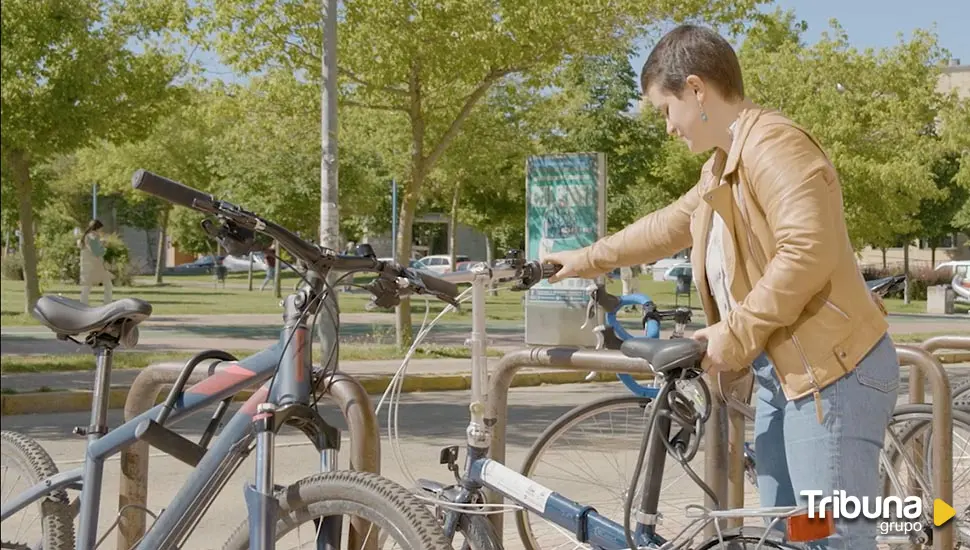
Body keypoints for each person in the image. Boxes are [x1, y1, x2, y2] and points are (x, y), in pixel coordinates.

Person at [542, 24, 898, 549]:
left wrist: (735, 331)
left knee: (833, 539)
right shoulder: (723, 168)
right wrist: (585, 259)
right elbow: (667, 225)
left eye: (666, 110)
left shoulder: (775, 145)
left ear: (695, 89)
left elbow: (807, 252)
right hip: (787, 378)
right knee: (787, 533)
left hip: (833, 376)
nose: (667, 128)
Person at [78, 219, 114, 305]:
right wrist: (104, 246)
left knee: (87, 286)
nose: (101, 231)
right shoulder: (92, 237)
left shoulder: (86, 237)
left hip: (89, 266)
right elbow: (97, 252)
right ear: (97, 228)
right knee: (107, 284)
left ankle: (83, 304)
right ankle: (107, 303)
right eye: (100, 229)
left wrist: (100, 243)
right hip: (95, 266)